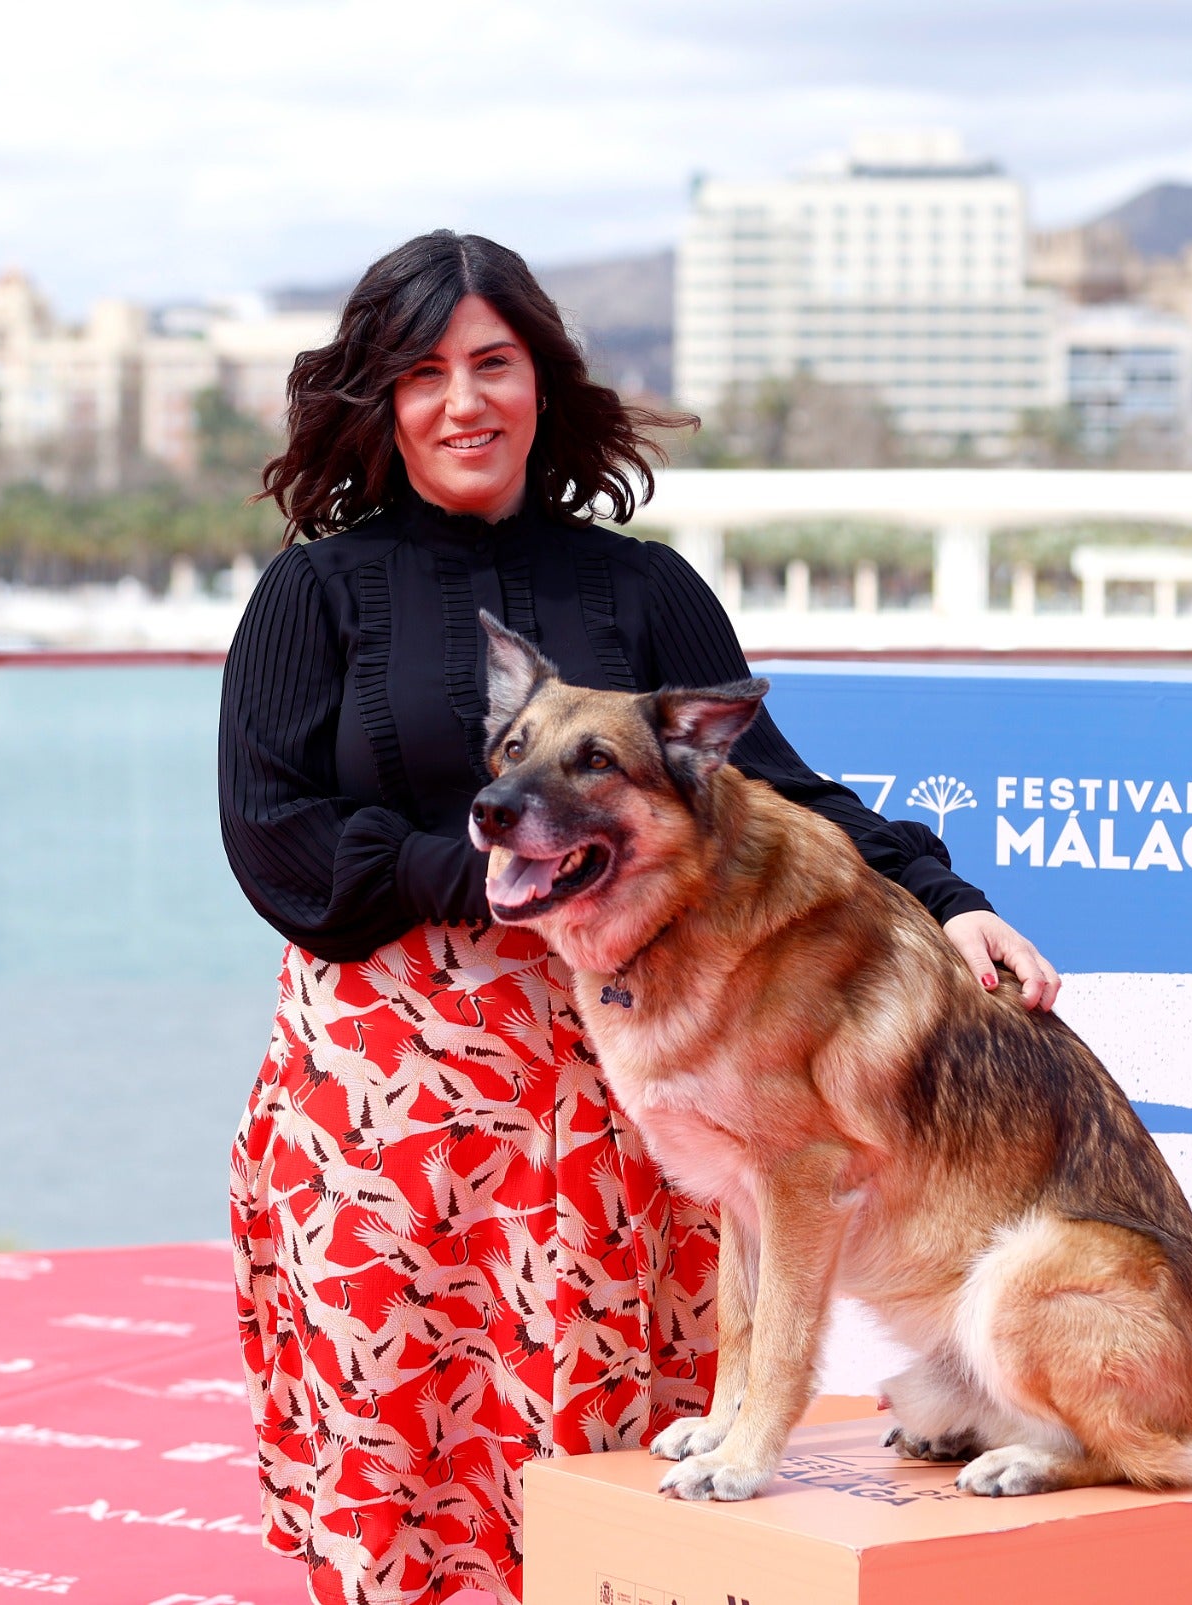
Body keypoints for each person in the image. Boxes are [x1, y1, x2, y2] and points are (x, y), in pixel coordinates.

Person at [218, 229, 1059, 1605]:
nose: (463, 400)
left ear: (544, 380)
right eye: (424, 372)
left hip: (631, 1105)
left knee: (622, 1478)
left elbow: (783, 795)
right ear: (380, 401)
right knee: (395, 1457)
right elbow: (272, 835)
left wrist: (949, 901)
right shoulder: (314, 593)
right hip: (383, 1124)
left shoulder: (644, 588)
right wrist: (493, 882)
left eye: (493, 363)